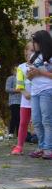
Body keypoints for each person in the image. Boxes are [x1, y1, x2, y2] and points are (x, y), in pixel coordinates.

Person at [27, 30, 52, 160]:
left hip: (47, 90)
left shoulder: (50, 56)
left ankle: (48, 148)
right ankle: (41, 147)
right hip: (35, 91)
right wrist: (30, 75)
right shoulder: (34, 57)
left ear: (42, 41)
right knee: (37, 121)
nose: (33, 44)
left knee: (47, 120)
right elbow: (29, 77)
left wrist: (40, 73)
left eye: (35, 41)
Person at [11, 42, 34, 155]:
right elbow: (19, 84)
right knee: (23, 123)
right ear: (26, 52)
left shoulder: (42, 65)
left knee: (43, 123)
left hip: (40, 98)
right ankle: (19, 146)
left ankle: (44, 147)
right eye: (31, 50)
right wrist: (24, 92)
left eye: (36, 51)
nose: (33, 53)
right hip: (26, 100)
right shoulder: (21, 67)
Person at [5, 70, 21, 138]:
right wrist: (17, 90)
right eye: (15, 70)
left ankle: (19, 134)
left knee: (20, 118)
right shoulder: (11, 78)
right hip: (14, 101)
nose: (17, 71)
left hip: (22, 101)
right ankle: (11, 133)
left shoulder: (23, 78)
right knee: (14, 116)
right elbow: (7, 89)